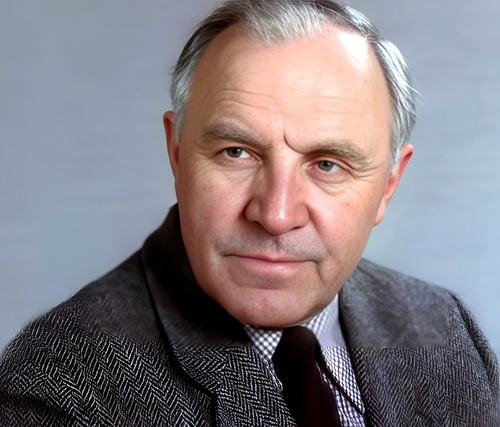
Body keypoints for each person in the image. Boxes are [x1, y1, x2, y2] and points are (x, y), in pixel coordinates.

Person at [1, 0, 498, 425]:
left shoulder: (447, 331)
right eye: (236, 152)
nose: (276, 214)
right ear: (177, 155)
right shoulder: (56, 387)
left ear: (388, 185)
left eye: (328, 164)